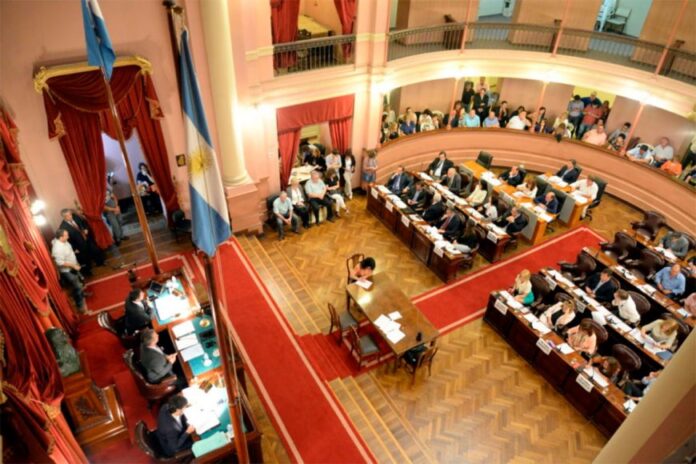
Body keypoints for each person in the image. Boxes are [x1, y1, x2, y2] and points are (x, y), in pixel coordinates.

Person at [59, 208, 105, 276]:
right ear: (64, 217)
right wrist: (74, 248)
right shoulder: (63, 227)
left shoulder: (75, 217)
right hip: (79, 245)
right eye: (68, 216)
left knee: (96, 250)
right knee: (85, 259)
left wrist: (86, 228)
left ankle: (100, 263)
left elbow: (84, 223)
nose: (70, 216)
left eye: (70, 214)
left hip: (86, 238)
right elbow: (67, 240)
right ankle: (88, 272)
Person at [51, 229, 86, 313]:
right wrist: (73, 265)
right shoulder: (57, 249)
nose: (68, 236)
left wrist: (74, 256)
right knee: (77, 287)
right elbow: (59, 262)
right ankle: (80, 305)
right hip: (68, 271)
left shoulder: (64, 241)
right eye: (66, 235)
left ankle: (82, 294)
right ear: (61, 237)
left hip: (74, 266)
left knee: (80, 282)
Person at [104, 180, 128, 246]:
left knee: (120, 221)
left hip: (116, 208)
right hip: (109, 212)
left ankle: (122, 236)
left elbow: (114, 197)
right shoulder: (98, 194)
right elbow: (103, 207)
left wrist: (117, 206)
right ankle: (117, 239)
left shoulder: (107, 190)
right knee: (115, 225)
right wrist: (113, 209)